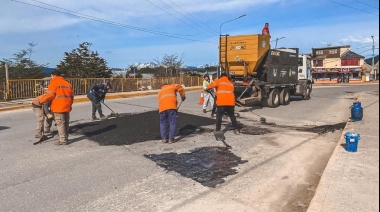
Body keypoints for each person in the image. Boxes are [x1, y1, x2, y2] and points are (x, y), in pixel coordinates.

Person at [40, 70, 74, 145]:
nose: (51, 77)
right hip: (67, 106)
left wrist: (42, 99)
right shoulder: (67, 83)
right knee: (66, 123)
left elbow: (50, 95)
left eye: (51, 76)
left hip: (58, 107)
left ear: (53, 75)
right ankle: (66, 138)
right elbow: (71, 96)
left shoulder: (53, 83)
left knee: (60, 123)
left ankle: (63, 141)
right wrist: (70, 105)